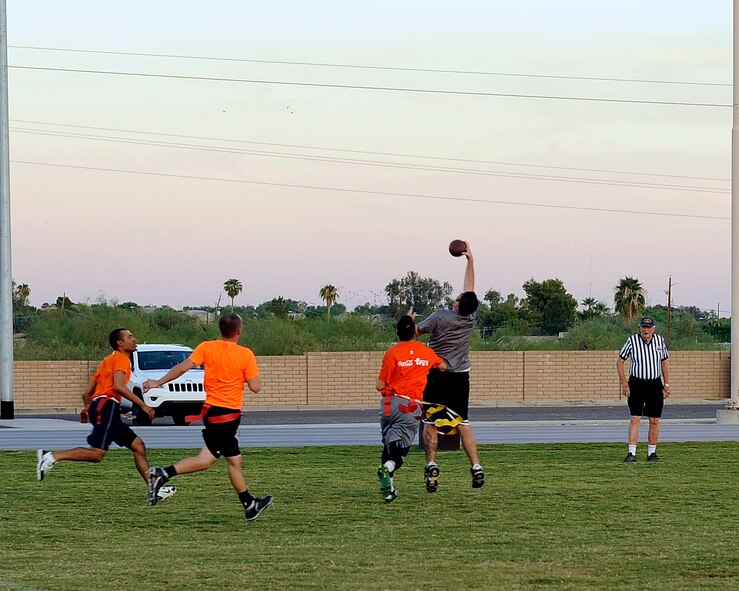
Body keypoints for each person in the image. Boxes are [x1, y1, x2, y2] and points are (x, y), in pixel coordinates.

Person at [144, 313, 272, 521]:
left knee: (220, 460)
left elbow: (182, 368)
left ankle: (249, 505)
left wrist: (158, 382)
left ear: (220, 330)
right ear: (239, 331)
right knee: (222, 461)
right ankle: (249, 504)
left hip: (213, 412)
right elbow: (256, 387)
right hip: (226, 415)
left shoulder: (207, 347)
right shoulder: (245, 354)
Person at [36, 328, 176, 503]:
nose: (134, 339)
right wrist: (142, 405)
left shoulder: (106, 361)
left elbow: (86, 393)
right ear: (120, 343)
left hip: (102, 406)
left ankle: (154, 489)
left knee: (138, 446)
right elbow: (118, 386)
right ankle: (51, 456)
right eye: (130, 337)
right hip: (108, 405)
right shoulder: (121, 359)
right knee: (97, 454)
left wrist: (91, 409)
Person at [416, 241, 484, 492]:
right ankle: (476, 466)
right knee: (462, 422)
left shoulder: (440, 316)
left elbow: (415, 332)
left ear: (457, 304)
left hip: (437, 375)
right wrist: (470, 260)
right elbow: (470, 289)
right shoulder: (470, 318)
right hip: (461, 377)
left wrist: (409, 323)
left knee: (430, 422)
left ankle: (431, 463)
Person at [376, 314, 447, 502]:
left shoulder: (392, 353)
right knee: (400, 453)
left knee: (390, 444)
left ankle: (389, 489)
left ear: (397, 333)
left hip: (389, 406)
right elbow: (443, 366)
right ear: (415, 333)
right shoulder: (425, 352)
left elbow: (379, 385)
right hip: (409, 406)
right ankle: (389, 467)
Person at [617, 316, 670, 462]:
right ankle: (631, 452)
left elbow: (664, 363)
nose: (646, 330)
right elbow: (620, 361)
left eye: (648, 327)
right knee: (635, 417)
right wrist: (624, 383)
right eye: (643, 327)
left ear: (653, 328)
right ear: (640, 328)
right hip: (637, 383)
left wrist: (666, 385)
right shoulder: (632, 340)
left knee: (654, 420)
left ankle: (652, 452)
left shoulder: (659, 341)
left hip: (654, 384)